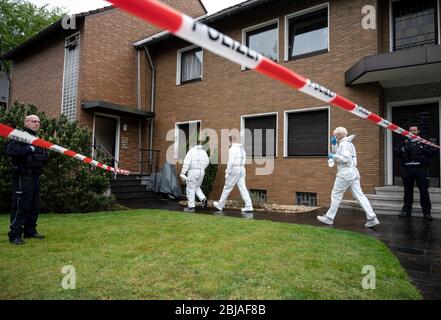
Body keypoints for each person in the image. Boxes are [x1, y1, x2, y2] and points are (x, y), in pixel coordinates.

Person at [317, 127, 380, 228]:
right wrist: (333, 146)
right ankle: (372, 218)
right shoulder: (349, 143)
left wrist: (333, 157)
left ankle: (329, 218)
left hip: (345, 173)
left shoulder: (343, 144)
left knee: (336, 194)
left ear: (339, 135)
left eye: (335, 135)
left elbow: (345, 159)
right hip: (353, 172)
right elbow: (343, 155)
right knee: (360, 196)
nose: (334, 137)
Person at [6, 115, 48, 245]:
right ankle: (15, 234)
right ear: (26, 122)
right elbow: (11, 150)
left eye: (38, 122)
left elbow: (42, 155)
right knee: (21, 206)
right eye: (33, 121)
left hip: (35, 176)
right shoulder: (19, 135)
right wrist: (31, 148)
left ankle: (30, 230)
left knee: (34, 206)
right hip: (22, 176)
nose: (36, 124)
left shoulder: (37, 138)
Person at [394, 125, 438, 221]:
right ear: (408, 131)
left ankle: (426, 212)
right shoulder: (404, 141)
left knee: (424, 191)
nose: (413, 132)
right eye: (411, 130)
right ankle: (406, 210)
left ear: (418, 131)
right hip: (407, 169)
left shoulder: (425, 141)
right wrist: (404, 148)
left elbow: (435, 152)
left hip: (420, 169)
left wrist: (422, 147)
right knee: (407, 191)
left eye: (414, 130)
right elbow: (396, 153)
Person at [213, 135, 253, 213]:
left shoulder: (232, 149)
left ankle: (220, 205)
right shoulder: (242, 149)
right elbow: (244, 159)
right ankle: (249, 206)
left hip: (234, 169)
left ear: (231, 141)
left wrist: (228, 172)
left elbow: (231, 161)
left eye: (228, 141)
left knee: (227, 188)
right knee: (243, 188)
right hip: (242, 169)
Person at [180, 139, 210, 212]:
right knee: (197, 186)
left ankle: (191, 207)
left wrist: (183, 173)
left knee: (190, 188)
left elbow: (186, 163)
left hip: (193, 171)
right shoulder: (203, 152)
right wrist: (202, 168)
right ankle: (203, 198)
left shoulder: (191, 152)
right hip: (201, 172)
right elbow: (207, 162)